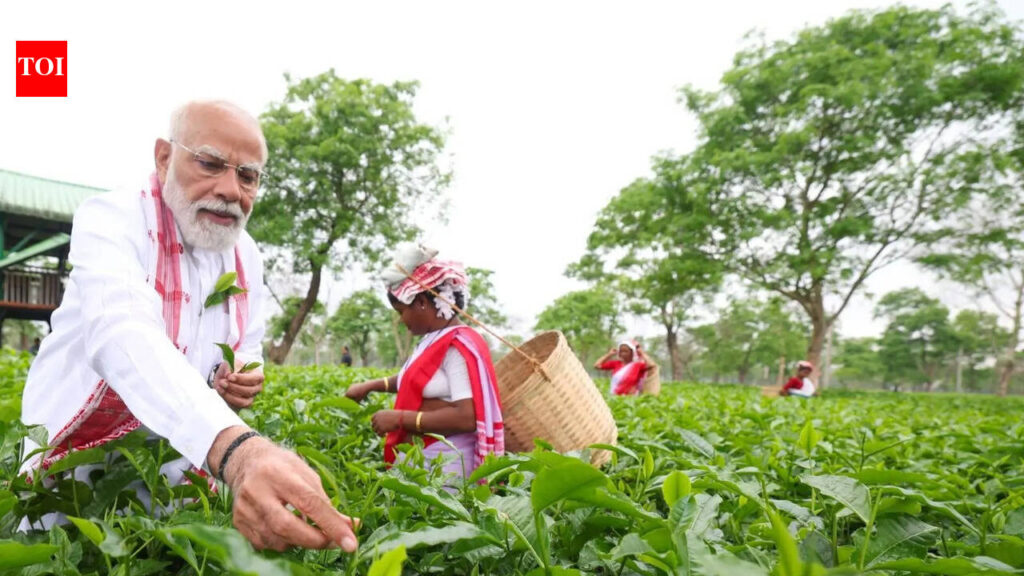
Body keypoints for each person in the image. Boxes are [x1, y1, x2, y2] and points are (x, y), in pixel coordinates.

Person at [19, 101, 358, 553]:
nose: (230, 190)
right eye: (210, 163)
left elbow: (248, 342)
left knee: (157, 553)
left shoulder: (246, 255)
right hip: (77, 471)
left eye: (248, 176)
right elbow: (121, 330)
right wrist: (239, 451)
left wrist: (244, 376)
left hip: (177, 472)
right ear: (164, 157)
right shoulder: (113, 218)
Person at [345, 243, 503, 480]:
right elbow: (416, 380)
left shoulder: (456, 346)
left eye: (401, 312)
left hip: (450, 466)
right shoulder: (434, 340)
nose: (401, 321)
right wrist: (370, 386)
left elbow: (466, 417)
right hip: (430, 460)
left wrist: (399, 418)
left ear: (421, 303)